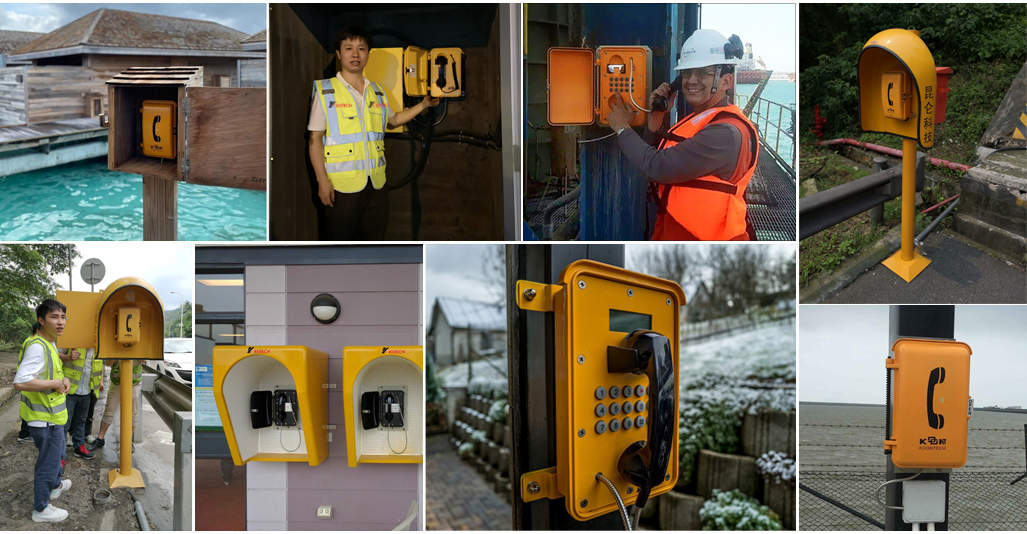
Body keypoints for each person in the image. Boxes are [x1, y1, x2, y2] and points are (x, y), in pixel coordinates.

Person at [607, 29, 760, 241]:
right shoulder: (700, 121)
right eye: (687, 73)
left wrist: (622, 128)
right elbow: (656, 157)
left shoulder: (726, 134)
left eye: (703, 72)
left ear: (726, 81)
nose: (691, 80)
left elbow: (657, 166)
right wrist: (655, 118)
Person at [308, 25, 440, 240]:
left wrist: (424, 104)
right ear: (339, 54)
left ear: (368, 54)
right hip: (341, 187)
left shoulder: (377, 91)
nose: (355, 54)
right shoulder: (325, 91)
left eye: (361, 48)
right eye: (349, 48)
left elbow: (394, 120)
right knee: (339, 242)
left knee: (373, 241)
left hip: (376, 185)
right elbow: (315, 139)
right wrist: (322, 181)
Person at [13, 299, 72, 522]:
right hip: (44, 419)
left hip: (52, 416)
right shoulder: (38, 346)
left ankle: (55, 486)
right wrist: (55, 383)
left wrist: (62, 379)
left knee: (55, 457)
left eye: (63, 317)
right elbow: (21, 382)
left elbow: (49, 374)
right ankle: (41, 509)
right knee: (48, 462)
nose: (60, 322)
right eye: (54, 317)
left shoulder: (48, 342)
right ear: (41, 320)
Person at [89, 359, 141, 454]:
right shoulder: (114, 344)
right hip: (117, 381)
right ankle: (100, 439)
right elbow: (109, 363)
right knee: (109, 409)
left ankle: (128, 442)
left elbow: (144, 359)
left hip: (133, 382)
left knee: (133, 413)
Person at [59, 347, 101, 460]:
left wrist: (100, 381)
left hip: (86, 391)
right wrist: (68, 357)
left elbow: (99, 366)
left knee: (81, 421)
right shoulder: (73, 340)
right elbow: (54, 354)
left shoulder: (98, 346)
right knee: (64, 423)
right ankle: (60, 454)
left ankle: (78, 447)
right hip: (69, 390)